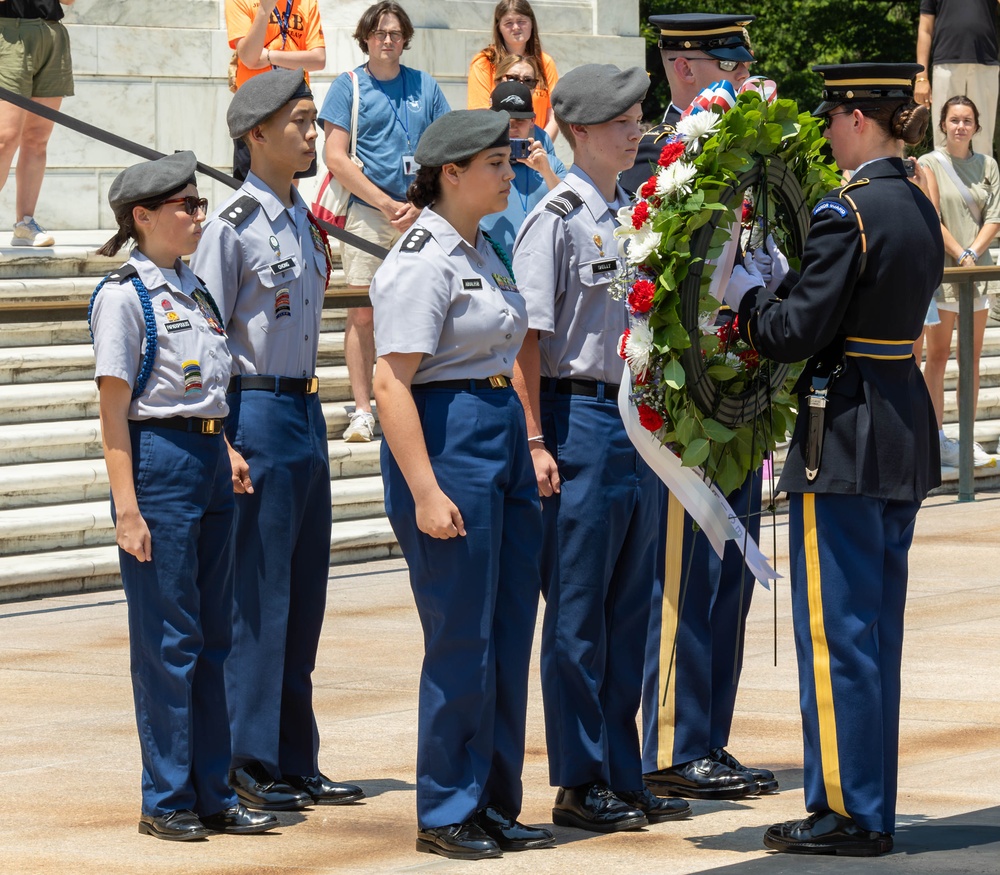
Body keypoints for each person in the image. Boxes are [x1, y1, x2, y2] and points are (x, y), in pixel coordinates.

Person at [724, 63, 943, 855]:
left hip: (844, 430)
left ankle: (848, 811)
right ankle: (865, 801)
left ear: (858, 118)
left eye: (831, 116)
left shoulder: (845, 211)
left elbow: (796, 331)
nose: (824, 129)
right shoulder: (918, 203)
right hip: (899, 421)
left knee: (835, 632)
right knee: (874, 632)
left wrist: (746, 298)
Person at [512, 63, 690, 833]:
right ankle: (580, 780)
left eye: (639, 116)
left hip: (630, 417)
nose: (637, 130)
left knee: (630, 606)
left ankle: (624, 767)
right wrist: (534, 438)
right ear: (579, 130)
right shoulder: (553, 216)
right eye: (622, 120)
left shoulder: (630, 209)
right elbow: (528, 338)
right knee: (579, 609)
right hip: (575, 414)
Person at [371, 109, 553, 861]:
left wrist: (530, 441)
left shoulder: (486, 246)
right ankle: (447, 806)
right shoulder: (422, 258)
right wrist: (423, 489)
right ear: (450, 173)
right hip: (446, 440)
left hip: (497, 430)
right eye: (494, 165)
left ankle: (493, 800)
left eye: (510, 163)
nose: (509, 175)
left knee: (509, 630)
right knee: (460, 635)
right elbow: (389, 381)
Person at [90, 152, 278, 841]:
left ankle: (212, 789)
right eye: (185, 207)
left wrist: (224, 447)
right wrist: (128, 508)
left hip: (204, 454)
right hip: (158, 463)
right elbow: (114, 413)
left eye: (200, 204)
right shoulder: (124, 295)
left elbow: (208, 387)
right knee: (169, 640)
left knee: (214, 638)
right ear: (142, 217)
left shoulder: (192, 288)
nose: (199, 216)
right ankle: (166, 797)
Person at [190, 69, 364, 813]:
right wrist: (220, 435)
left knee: (303, 594)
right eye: (297, 122)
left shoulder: (303, 218)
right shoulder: (229, 226)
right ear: (256, 135)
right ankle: (248, 757)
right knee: (257, 598)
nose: (309, 134)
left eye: (311, 120)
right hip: (253, 410)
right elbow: (204, 335)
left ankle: (296, 755)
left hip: (305, 410)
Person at [621, 13, 778, 805]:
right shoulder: (662, 152)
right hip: (684, 402)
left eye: (742, 66)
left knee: (730, 575)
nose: (743, 79)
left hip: (738, 390)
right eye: (729, 66)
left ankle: (710, 735)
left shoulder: (743, 149)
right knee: (686, 571)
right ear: (684, 68)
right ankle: (677, 742)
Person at [320, 1, 449, 442]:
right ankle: (362, 409)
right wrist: (383, 203)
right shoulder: (348, 85)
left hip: (420, 215)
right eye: (379, 34)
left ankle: (412, 399)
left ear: (405, 38)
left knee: (426, 309)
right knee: (361, 314)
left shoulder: (425, 86)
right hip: (367, 217)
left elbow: (445, 149)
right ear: (366, 39)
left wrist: (420, 202)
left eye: (394, 34)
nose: (387, 41)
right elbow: (334, 155)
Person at [918, 95, 999, 469]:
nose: (960, 126)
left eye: (967, 120)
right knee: (935, 358)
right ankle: (936, 439)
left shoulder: (988, 165)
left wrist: (973, 253)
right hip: (945, 275)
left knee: (970, 359)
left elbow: (994, 216)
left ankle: (965, 440)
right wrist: (961, 254)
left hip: (977, 276)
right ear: (943, 124)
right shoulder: (928, 164)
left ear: (976, 127)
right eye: (954, 120)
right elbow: (930, 217)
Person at [620, 12, 754, 196]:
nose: (744, 74)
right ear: (686, 70)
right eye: (729, 64)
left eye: (745, 63)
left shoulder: (748, 140)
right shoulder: (656, 150)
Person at [0, 0, 75, 248]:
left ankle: (25, 223)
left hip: (52, 33)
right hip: (10, 32)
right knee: (5, 138)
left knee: (37, 139)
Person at [225, 0, 327, 181]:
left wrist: (271, 57)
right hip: (255, 105)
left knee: (291, 179)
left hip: (294, 101)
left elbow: (318, 59)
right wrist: (265, 10)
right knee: (251, 181)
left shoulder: (307, 2)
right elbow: (249, 57)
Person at [480, 80, 565, 254]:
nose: (513, 128)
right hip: (494, 265)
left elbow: (572, 210)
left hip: (543, 262)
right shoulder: (477, 163)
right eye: (506, 120)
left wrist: (546, 172)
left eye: (520, 121)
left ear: (532, 121)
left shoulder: (551, 164)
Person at [467, 0, 559, 142]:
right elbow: (480, 114)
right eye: (508, 23)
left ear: (532, 23)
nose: (516, 27)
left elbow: (554, 113)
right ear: (499, 28)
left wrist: (541, 144)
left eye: (521, 21)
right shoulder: (484, 62)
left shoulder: (545, 62)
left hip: (536, 147)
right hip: (497, 147)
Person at [916, 0, 999, 155]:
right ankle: (942, 179)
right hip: (945, 65)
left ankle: (985, 179)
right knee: (944, 135)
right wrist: (921, 77)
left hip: (985, 64)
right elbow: (925, 29)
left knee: (984, 139)